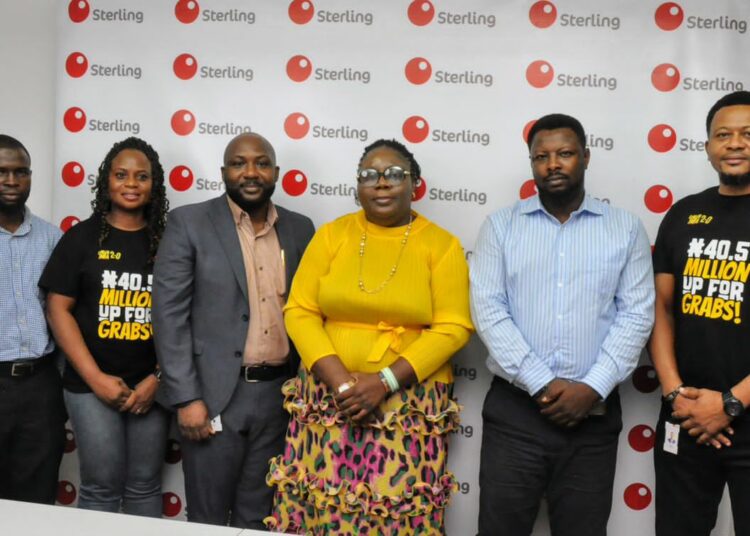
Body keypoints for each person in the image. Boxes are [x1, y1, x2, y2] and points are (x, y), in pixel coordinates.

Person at [265, 139, 474, 535]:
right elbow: (300, 310)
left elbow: (453, 327)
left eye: (394, 174)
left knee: (393, 515)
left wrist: (384, 382)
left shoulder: (441, 245)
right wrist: (343, 384)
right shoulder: (332, 235)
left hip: (407, 404)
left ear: (415, 184)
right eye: (369, 175)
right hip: (327, 398)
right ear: (357, 186)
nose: (381, 183)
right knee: (322, 509)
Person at [470, 114, 654, 536]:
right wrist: (544, 385)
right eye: (541, 157)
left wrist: (590, 389)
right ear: (531, 163)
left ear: (585, 157)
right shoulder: (501, 226)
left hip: (593, 417)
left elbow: (636, 314)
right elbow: (489, 311)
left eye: (565, 154)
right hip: (516, 414)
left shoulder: (624, 229)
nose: (553, 164)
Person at [152, 132, 314, 528]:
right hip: (212, 397)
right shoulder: (190, 222)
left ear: (276, 172)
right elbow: (168, 316)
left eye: (261, 162)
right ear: (224, 172)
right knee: (208, 517)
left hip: (279, 397)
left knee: (261, 517)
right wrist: (187, 397)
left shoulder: (300, 229)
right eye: (239, 163)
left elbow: (310, 313)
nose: (251, 172)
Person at [40, 137, 170, 516]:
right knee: (99, 488)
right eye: (121, 175)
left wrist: (158, 380)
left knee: (145, 486)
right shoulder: (80, 238)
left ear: (154, 184)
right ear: (106, 181)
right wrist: (96, 379)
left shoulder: (170, 241)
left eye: (142, 176)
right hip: (89, 387)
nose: (131, 184)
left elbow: (186, 315)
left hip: (152, 386)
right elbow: (58, 309)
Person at [651, 90, 750, 536]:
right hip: (687, 419)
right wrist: (676, 396)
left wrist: (730, 404)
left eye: (748, 134)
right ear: (708, 145)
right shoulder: (683, 214)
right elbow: (661, 309)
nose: (735, 143)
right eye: (723, 134)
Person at [0, 134, 65, 505]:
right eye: (3, 172)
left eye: (21, 172)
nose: (12, 181)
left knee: (36, 501)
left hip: (40, 388)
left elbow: (64, 314)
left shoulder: (52, 238)